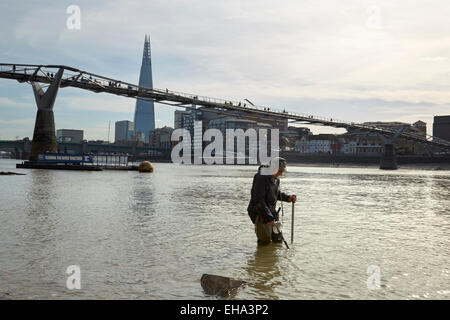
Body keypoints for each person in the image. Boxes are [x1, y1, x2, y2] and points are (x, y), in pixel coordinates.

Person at [247, 157, 297, 245]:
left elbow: (276, 194)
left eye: (282, 171)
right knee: (265, 240)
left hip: (272, 212)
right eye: (280, 171)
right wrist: (268, 217)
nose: (281, 174)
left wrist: (288, 198)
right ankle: (262, 257)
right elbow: (259, 200)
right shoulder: (261, 177)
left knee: (278, 239)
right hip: (260, 212)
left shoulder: (276, 179)